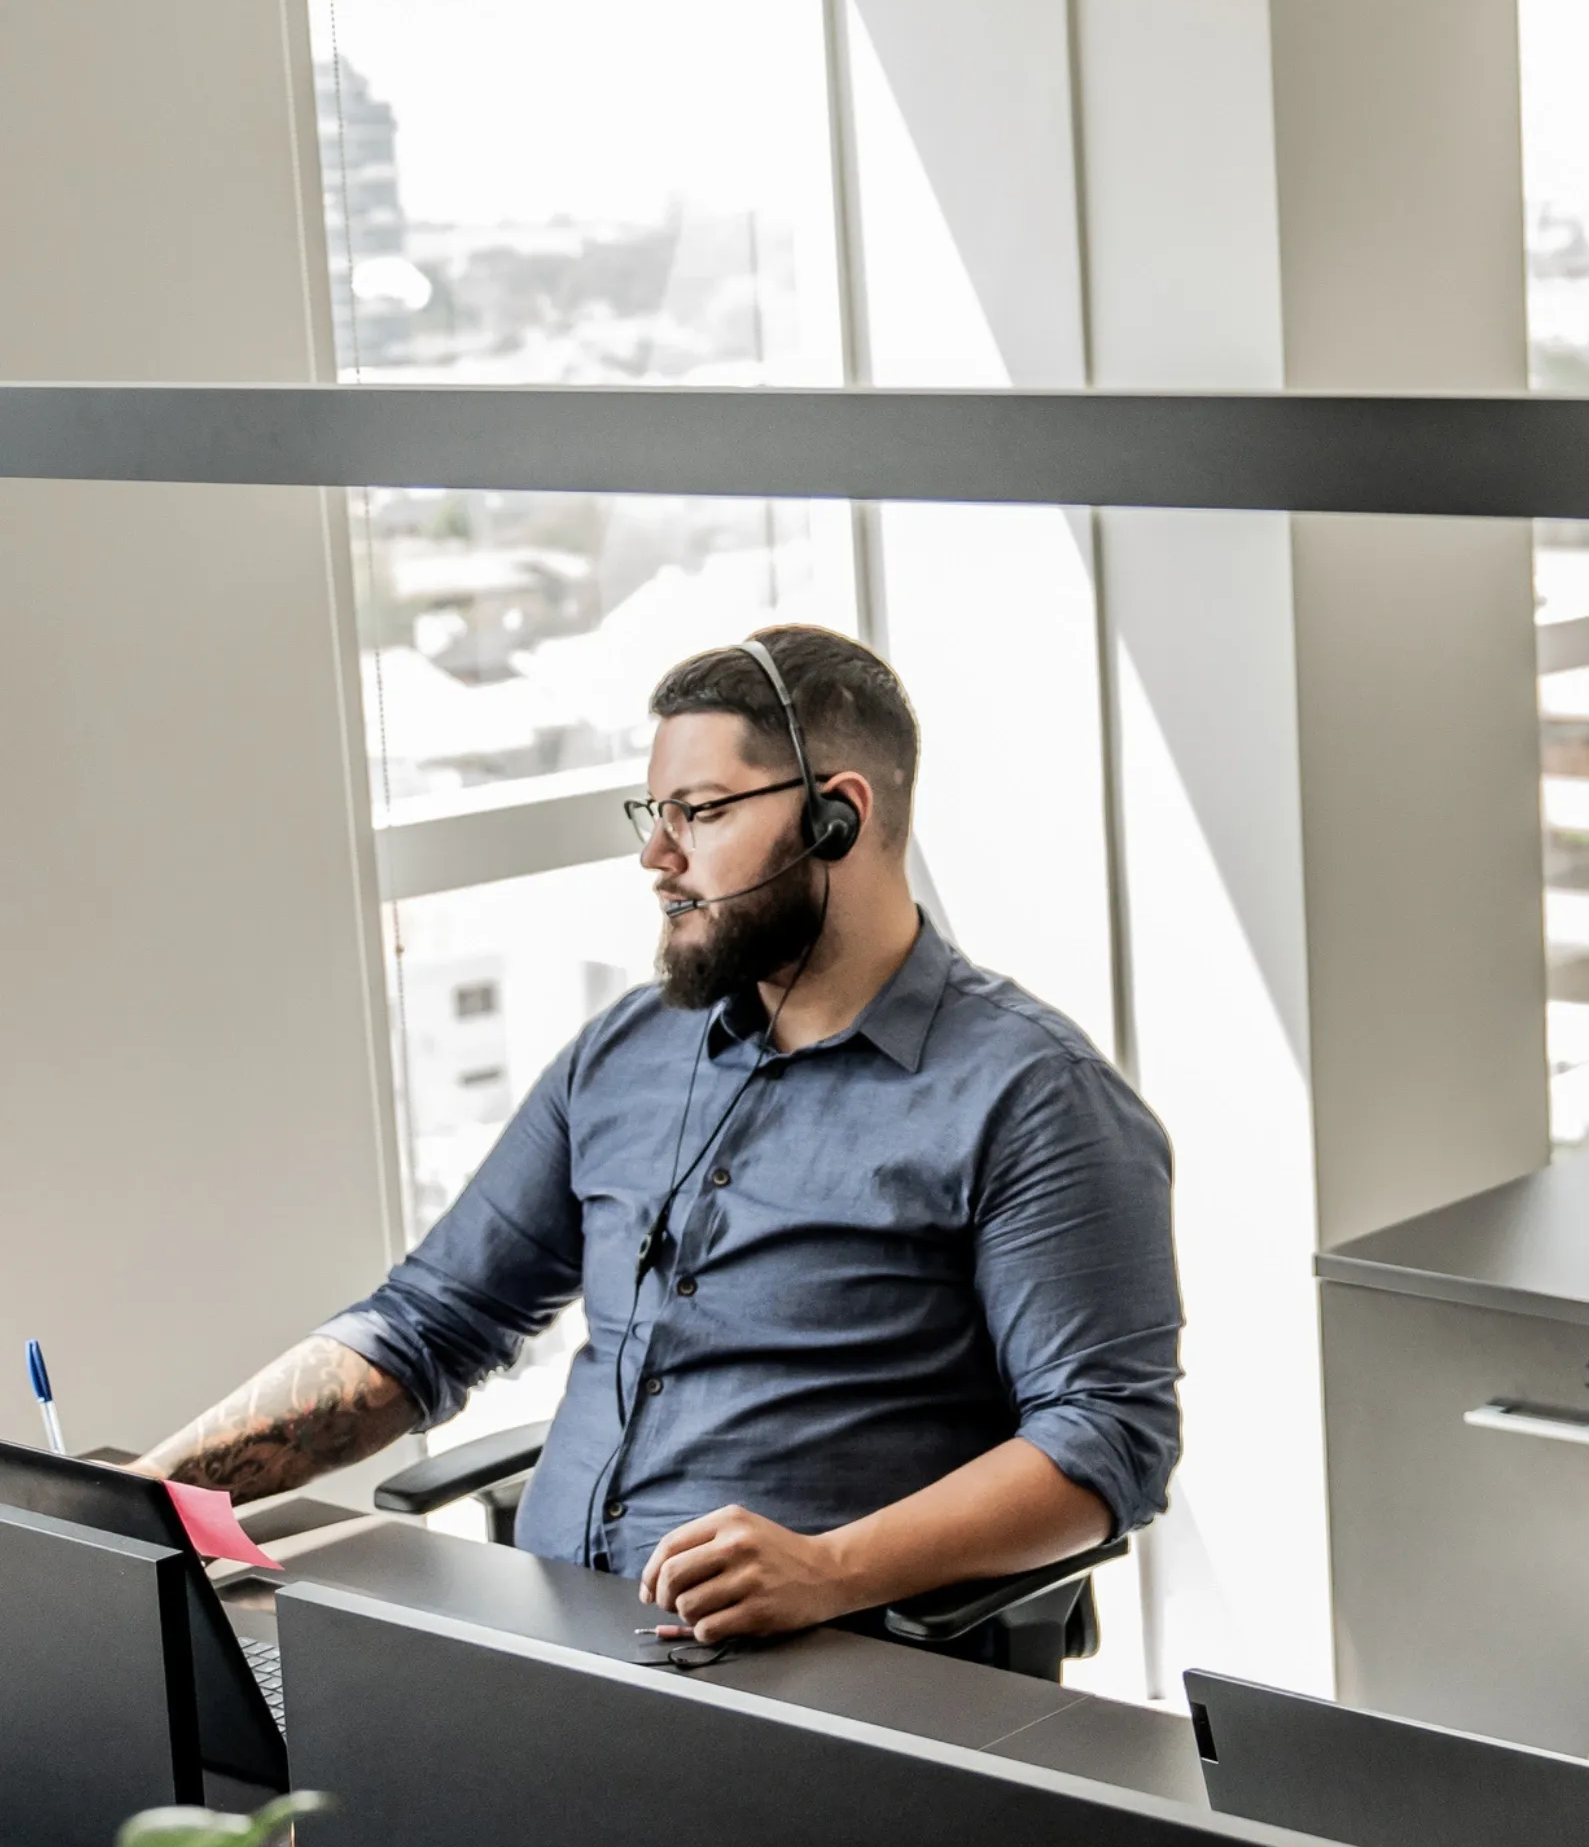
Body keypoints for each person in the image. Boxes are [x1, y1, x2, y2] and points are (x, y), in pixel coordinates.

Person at [141, 627, 1185, 1644]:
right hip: (546, 1647)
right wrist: (143, 1494)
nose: (656, 854)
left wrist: (829, 1569)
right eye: (654, 810)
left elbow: (1108, 1438)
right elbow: (433, 1318)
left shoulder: (1033, 1096)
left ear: (838, 816)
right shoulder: (628, 1050)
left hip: (820, 1681)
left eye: (701, 811)